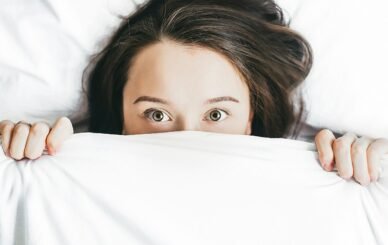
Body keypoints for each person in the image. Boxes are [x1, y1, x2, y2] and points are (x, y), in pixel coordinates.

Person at [0, 0, 386, 185]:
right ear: (119, 118)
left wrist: (373, 168)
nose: (187, 140)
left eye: (216, 115)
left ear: (251, 116)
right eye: (156, 115)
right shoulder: (63, 182)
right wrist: (16, 157)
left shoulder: (322, 182)